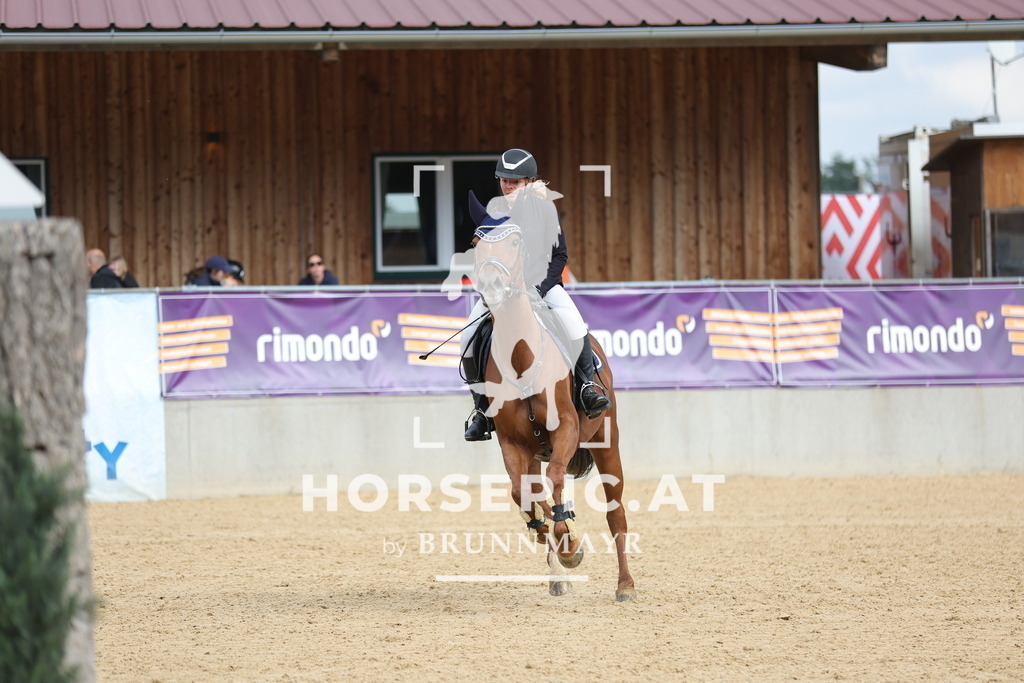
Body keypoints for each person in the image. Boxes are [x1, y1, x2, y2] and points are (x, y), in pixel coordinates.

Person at [459, 148, 610, 441]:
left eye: (515, 181)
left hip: (543, 287)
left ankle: (587, 386)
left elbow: (560, 255)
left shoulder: (543, 210)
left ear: (529, 182)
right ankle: (480, 408)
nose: (508, 185)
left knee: (574, 325)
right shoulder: (495, 211)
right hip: (503, 292)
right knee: (468, 337)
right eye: (504, 180)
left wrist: (538, 289)